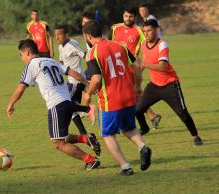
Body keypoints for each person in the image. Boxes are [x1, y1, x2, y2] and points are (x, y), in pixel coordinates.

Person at [6, 39, 101, 170]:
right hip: (66, 101)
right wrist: (87, 84)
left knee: (58, 143)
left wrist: (11, 104)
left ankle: (91, 160)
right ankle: (86, 138)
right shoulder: (51, 61)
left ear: (27, 52)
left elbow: (21, 88)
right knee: (63, 136)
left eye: (21, 55)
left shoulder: (31, 65)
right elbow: (73, 73)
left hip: (56, 105)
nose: (22, 59)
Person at [82, 20, 152, 176]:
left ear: (87, 36)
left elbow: (97, 79)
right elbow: (137, 66)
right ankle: (142, 146)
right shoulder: (121, 46)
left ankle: (125, 167)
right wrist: (138, 86)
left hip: (111, 99)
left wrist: (87, 94)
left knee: (107, 135)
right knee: (129, 127)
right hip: (129, 96)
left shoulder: (92, 53)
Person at [136, 19, 203, 146]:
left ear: (156, 30)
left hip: (170, 85)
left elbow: (162, 67)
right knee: (138, 110)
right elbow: (145, 57)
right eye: (144, 31)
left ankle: (196, 136)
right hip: (154, 85)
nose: (146, 34)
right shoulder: (144, 43)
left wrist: (145, 64)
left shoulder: (163, 45)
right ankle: (144, 128)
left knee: (182, 113)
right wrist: (139, 70)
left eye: (149, 30)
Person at [109, 6, 162, 130]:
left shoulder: (139, 31)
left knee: (130, 94)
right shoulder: (115, 28)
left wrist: (142, 65)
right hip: (117, 69)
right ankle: (152, 116)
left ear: (135, 17)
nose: (128, 19)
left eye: (131, 16)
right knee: (135, 95)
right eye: (126, 16)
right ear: (123, 16)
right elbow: (109, 46)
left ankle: (127, 123)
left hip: (132, 68)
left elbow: (149, 46)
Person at [54, 25, 100, 156]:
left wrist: (90, 75)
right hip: (70, 82)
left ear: (66, 34)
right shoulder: (60, 47)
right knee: (71, 109)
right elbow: (62, 62)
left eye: (60, 34)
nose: (57, 37)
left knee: (67, 107)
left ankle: (88, 110)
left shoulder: (72, 44)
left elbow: (86, 55)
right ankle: (85, 135)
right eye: (56, 34)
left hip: (77, 82)